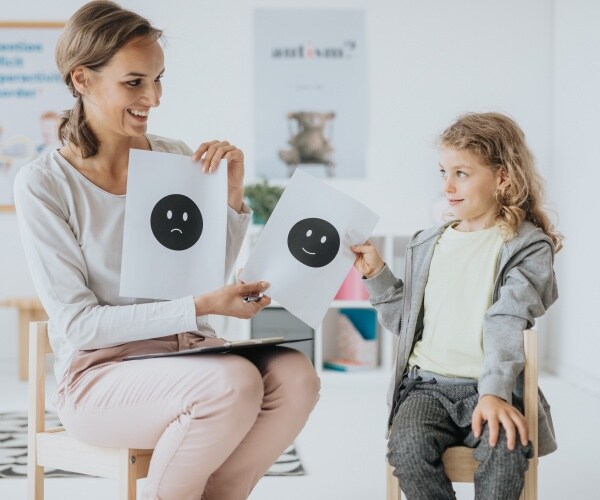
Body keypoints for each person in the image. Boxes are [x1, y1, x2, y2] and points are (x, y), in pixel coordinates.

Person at [14, 2, 319, 499]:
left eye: (158, 80)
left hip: (190, 353)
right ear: (82, 80)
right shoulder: (45, 184)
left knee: (296, 376)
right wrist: (201, 307)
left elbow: (201, 277)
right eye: (134, 82)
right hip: (102, 377)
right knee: (234, 385)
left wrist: (232, 199)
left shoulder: (176, 157)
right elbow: (79, 326)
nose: (152, 98)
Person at [352, 112, 562, 500]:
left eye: (461, 173)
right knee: (408, 449)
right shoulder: (426, 242)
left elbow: (507, 317)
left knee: (506, 451)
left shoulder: (527, 247)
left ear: (503, 177)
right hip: (425, 389)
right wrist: (378, 275)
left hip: (490, 389)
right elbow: (406, 325)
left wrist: (495, 393)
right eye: (443, 172)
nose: (447, 186)